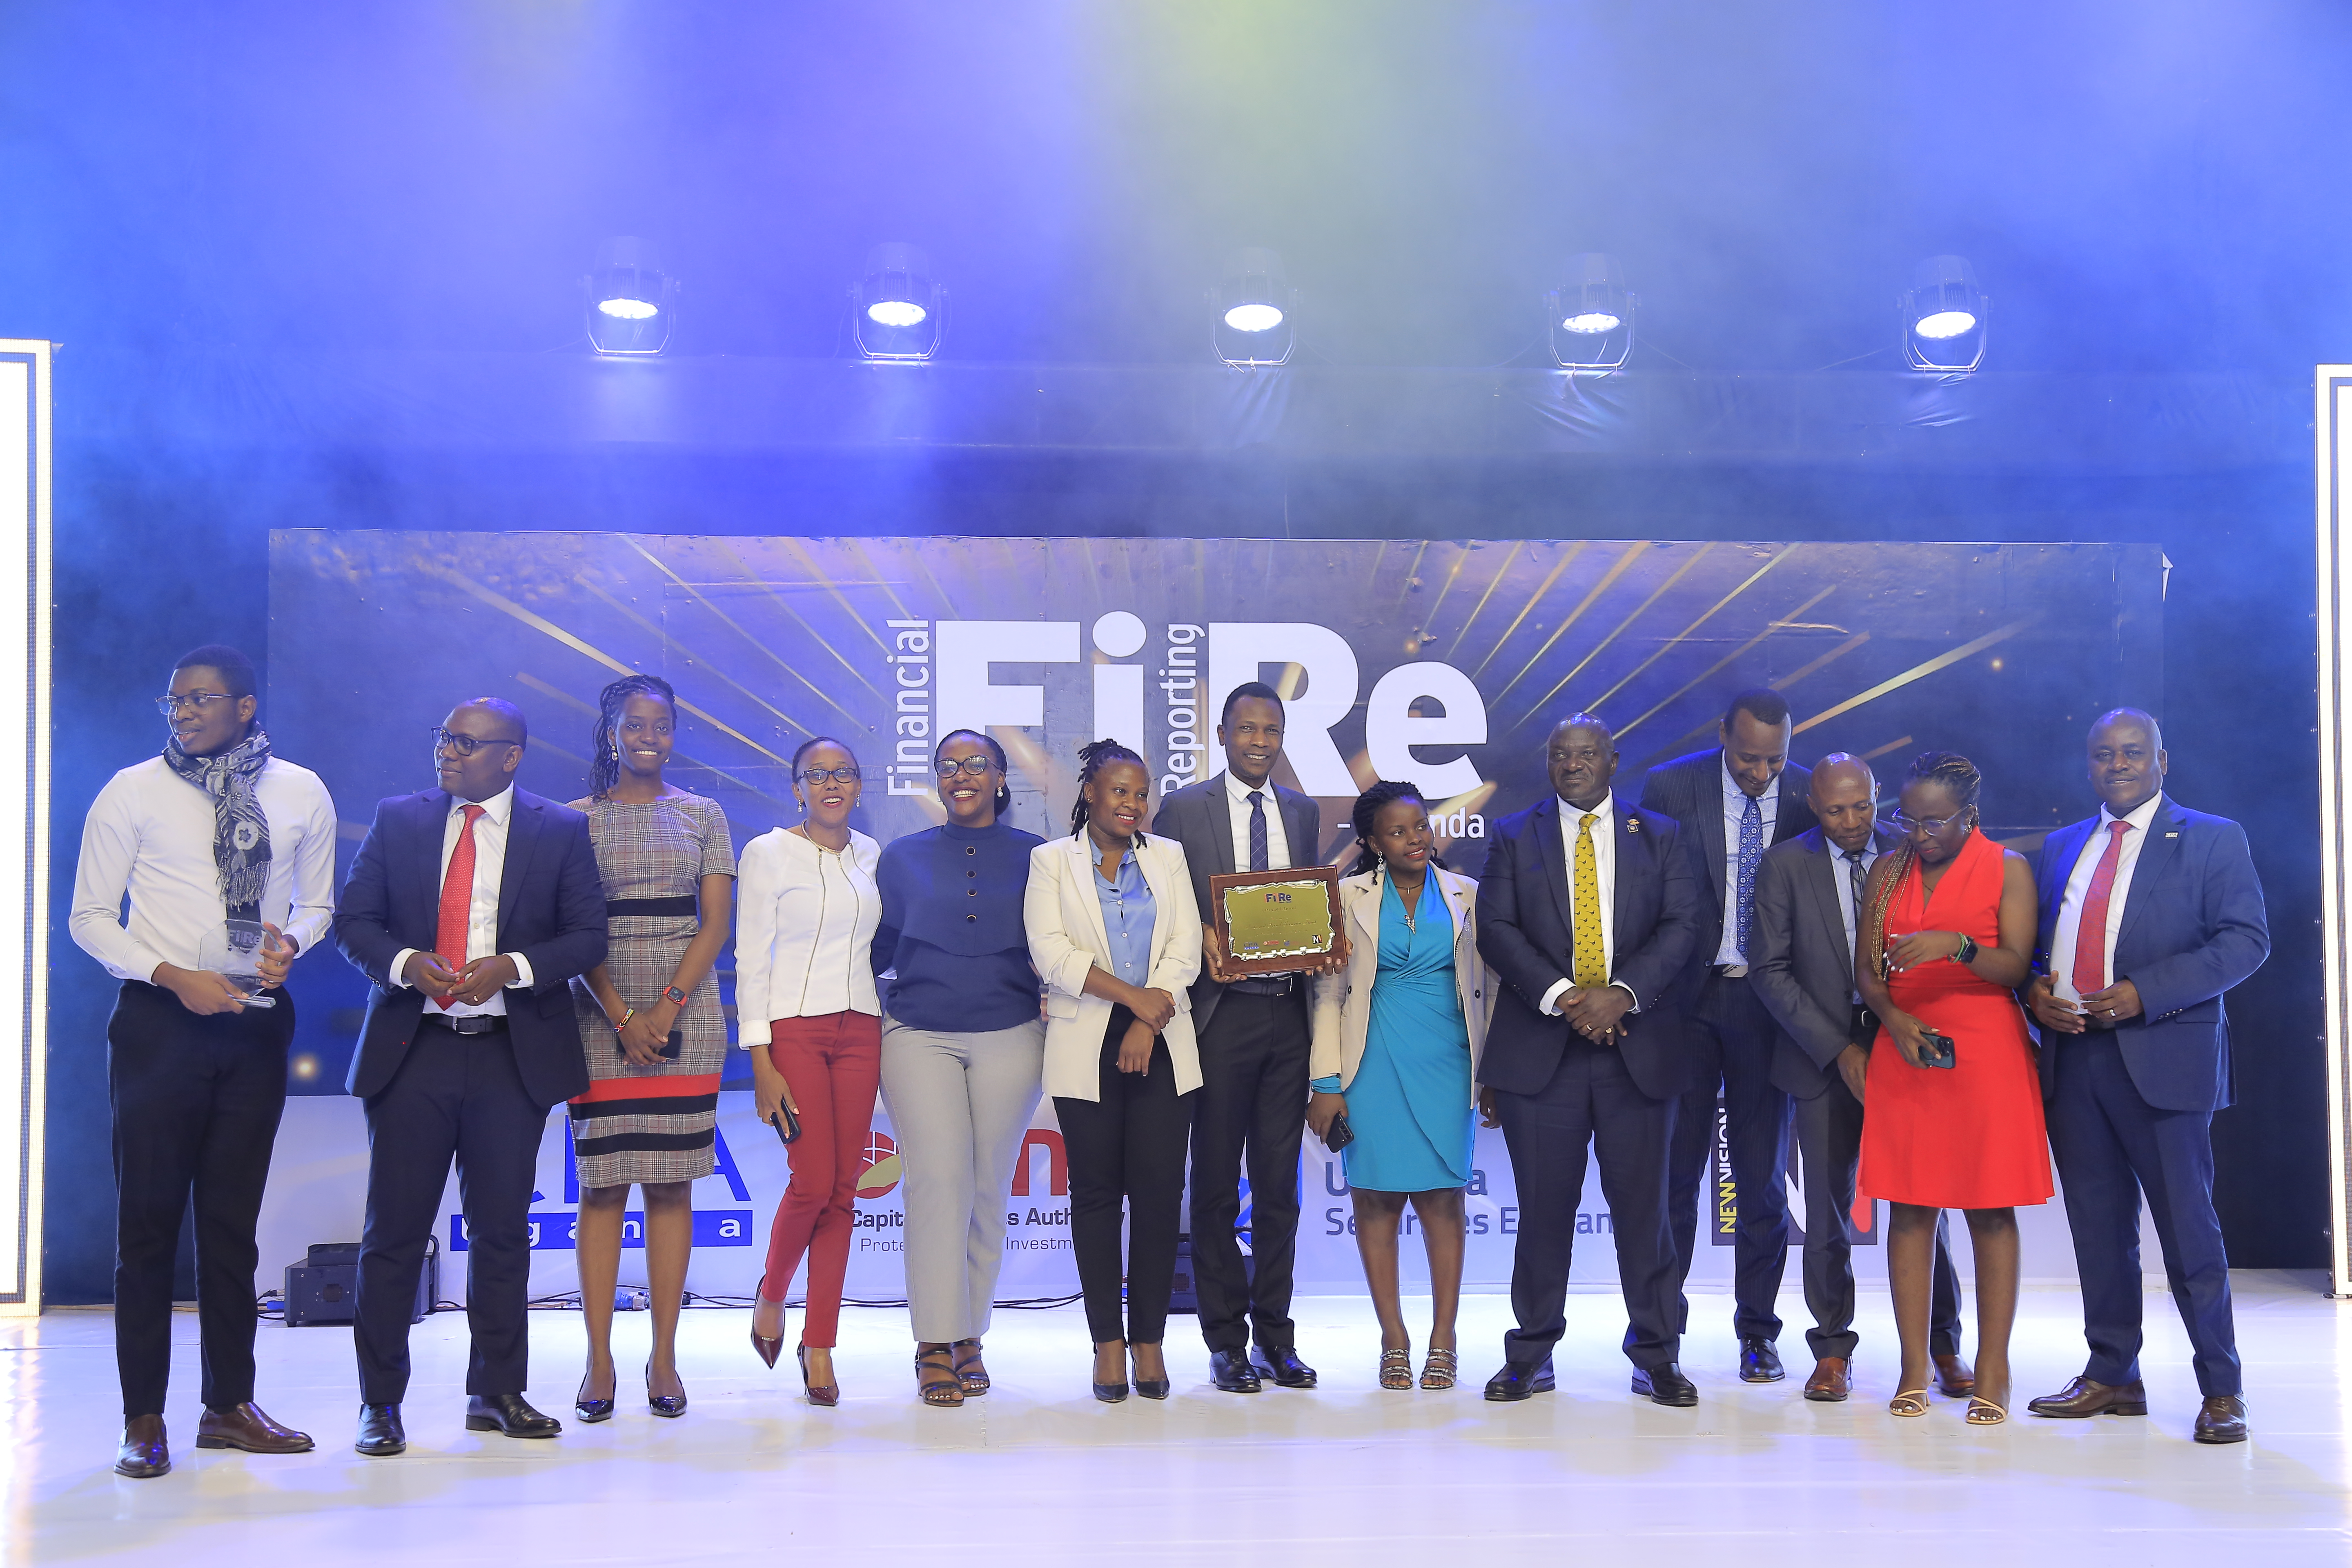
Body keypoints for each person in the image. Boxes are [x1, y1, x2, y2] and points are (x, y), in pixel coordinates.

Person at [69, 644, 336, 1479]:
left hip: (254, 1022)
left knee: (231, 1228)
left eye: (200, 699)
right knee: (147, 1228)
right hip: (159, 1023)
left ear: (246, 708)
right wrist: (171, 976)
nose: (182, 711)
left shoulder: (299, 791)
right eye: (175, 701)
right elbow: (88, 919)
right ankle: (142, 1417)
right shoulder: (131, 790)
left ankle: (228, 1405)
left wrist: (296, 940)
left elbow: (319, 902)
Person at [333, 697, 607, 1457]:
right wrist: (405, 964)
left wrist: (512, 969)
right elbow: (354, 921)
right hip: (412, 1048)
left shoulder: (559, 829)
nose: (447, 752)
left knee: (499, 1235)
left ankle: (496, 1392)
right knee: (393, 1236)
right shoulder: (401, 819)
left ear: (510, 757)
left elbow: (587, 937)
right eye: (443, 737)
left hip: (507, 1055)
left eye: (465, 742)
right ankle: (380, 1404)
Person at [2022, 709, 2269, 1444]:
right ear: (2089, 765)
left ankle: (2221, 1389)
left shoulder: (2212, 838)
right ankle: (2113, 1374)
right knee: (2098, 1230)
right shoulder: (2064, 844)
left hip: (2163, 1056)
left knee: (2189, 1233)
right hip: (2076, 1060)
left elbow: (2246, 942)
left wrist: (2146, 990)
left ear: (2164, 762)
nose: (2118, 765)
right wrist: (2033, 989)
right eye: (2104, 755)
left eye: (2133, 753)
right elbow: (2038, 947)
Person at [1477, 713, 1704, 1406]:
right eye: (1559, 755)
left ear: (1613, 761)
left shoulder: (1659, 836)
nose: (1572, 765)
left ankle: (1657, 1354)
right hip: (1543, 1051)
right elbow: (1496, 927)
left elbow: (1684, 926)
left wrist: (1622, 996)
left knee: (1647, 1213)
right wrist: (1565, 996)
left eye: (1586, 755)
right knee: (1544, 1211)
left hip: (1637, 1049)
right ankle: (1532, 1352)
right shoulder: (1516, 834)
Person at [1748, 754, 1971, 1402]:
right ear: (1813, 807)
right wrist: (1839, 1050)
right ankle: (1832, 1350)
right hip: (1821, 1052)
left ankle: (1943, 1343)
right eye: (1835, 811)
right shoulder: (1786, 864)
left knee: (1928, 1202)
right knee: (1826, 1210)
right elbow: (1770, 970)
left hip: (1909, 1044)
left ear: (1878, 798)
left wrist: (1901, 1031)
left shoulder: (1915, 854)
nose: (1852, 822)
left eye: (1863, 806)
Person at [1155, 682, 1341, 1393]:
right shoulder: (1181, 808)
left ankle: (1276, 1339)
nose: (1259, 742)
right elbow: (1165, 895)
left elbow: (1299, 905)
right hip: (1217, 1016)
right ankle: (1224, 1341)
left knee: (1279, 1189)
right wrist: (1196, 930)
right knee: (1213, 1187)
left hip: (1286, 1015)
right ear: (1223, 734)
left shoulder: (1298, 809)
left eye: (1271, 730)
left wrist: (1320, 942)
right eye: (1246, 729)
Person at [1855, 751, 2049, 1426]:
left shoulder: (2008, 870)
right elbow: (1867, 976)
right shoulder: (1887, 871)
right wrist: (1895, 1020)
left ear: (1970, 816)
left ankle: (1993, 1369)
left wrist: (1956, 946)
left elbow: (2014, 968)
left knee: (1990, 1210)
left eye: (1936, 821)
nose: (1921, 833)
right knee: (1910, 1210)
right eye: (1909, 818)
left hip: (1985, 1053)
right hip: (1907, 1049)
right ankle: (1914, 1365)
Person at [564, 675, 735, 1423]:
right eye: (634, 725)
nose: (648, 736)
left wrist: (663, 1011)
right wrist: (622, 1014)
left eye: (661, 725)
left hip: (686, 1014)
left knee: (673, 1186)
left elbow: (716, 925)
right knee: (602, 1188)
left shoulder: (704, 814)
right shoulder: (573, 821)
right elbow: (571, 927)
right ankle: (598, 1358)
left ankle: (663, 1357)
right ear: (610, 733)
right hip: (598, 1012)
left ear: (674, 733)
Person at [1638, 689, 1817, 1383]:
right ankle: (1661, 1334)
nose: (1762, 773)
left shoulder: (1808, 796)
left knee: (1764, 1182)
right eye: (1748, 758)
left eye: (1775, 759)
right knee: (1674, 1180)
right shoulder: (1670, 786)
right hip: (1681, 1006)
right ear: (1722, 736)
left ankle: (1758, 1334)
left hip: (1769, 1009)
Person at [1025, 740, 1203, 1402]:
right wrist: (1132, 1002)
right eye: (1119, 792)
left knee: (1158, 1199)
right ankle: (1107, 1345)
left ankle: (1150, 1342)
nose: (1133, 804)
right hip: (1086, 1045)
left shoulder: (1170, 857)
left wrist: (1145, 1021)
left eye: (1141, 793)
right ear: (1091, 795)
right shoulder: (1050, 862)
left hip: (1160, 1039)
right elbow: (1052, 954)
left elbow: (1186, 948)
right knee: (1097, 1199)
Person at [871, 729, 1045, 1406]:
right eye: (949, 765)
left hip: (1012, 1034)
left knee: (987, 1188)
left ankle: (971, 1333)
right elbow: (876, 948)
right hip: (918, 1035)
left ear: (1002, 778)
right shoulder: (902, 858)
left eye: (977, 764)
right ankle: (934, 1343)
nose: (962, 774)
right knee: (937, 1181)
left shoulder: (1040, 857)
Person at [1307, 781, 1490, 1391]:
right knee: (1376, 1202)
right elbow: (1329, 996)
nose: (1416, 839)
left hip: (1449, 1060)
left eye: (1420, 827)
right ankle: (1394, 1339)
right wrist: (1327, 1083)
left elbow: (1485, 994)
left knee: (1444, 1201)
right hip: (1372, 1062)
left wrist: (1491, 1076)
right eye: (1398, 831)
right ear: (1371, 843)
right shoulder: (1346, 896)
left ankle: (1444, 1337)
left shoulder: (1466, 895)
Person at [736, 735, 882, 1408]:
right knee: (813, 1180)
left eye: (843, 774)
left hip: (862, 1028)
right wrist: (760, 1058)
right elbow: (750, 959)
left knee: (844, 1192)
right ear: (796, 787)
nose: (831, 784)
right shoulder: (767, 853)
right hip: (793, 1029)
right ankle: (772, 1293)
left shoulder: (869, 855)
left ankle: (819, 1343)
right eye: (817, 775)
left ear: (858, 786)